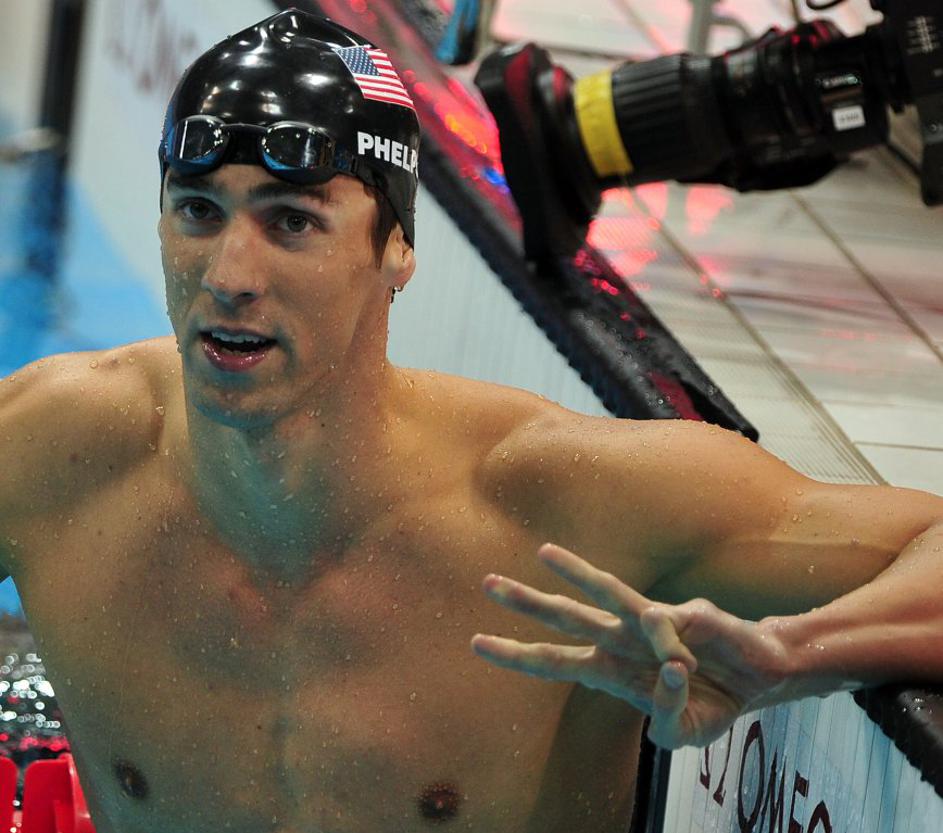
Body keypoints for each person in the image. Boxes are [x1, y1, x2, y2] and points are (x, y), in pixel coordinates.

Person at [1, 8, 941, 833]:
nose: (229, 275)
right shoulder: (56, 448)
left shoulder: (561, 503)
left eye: (292, 222)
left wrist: (793, 654)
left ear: (397, 249)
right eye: (199, 212)